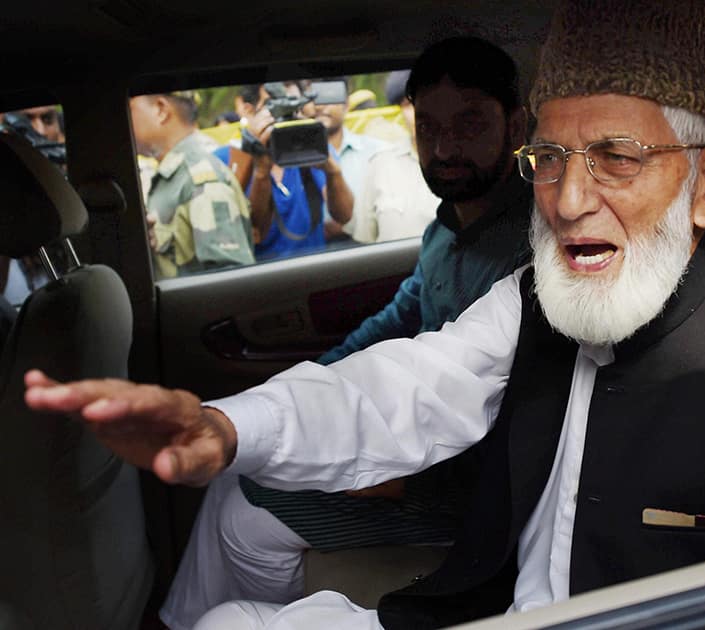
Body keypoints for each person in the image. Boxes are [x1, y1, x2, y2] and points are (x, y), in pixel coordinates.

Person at [24, 2, 705, 628]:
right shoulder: (534, 298)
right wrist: (226, 426)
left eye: (616, 158)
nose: (570, 199)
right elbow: (402, 385)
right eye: (548, 159)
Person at [157, 36, 531, 630]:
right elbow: (390, 324)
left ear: (516, 124)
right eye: (428, 127)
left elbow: (512, 413)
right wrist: (295, 393)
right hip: (417, 449)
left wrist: (397, 477)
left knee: (242, 519)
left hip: (466, 490)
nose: (444, 146)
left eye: (469, 123)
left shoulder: (529, 250)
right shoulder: (446, 229)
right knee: (233, 477)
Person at [220, 82, 354, 258]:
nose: (286, 117)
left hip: (315, 269)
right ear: (248, 110)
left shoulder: (311, 149)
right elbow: (253, 232)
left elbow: (344, 215)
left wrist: (332, 171)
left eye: (294, 108)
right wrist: (261, 170)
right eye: (274, 106)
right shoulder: (227, 160)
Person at [130, 91, 255, 278]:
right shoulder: (176, 174)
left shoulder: (201, 178)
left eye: (130, 108)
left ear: (161, 110)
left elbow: (230, 283)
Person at [342, 70, 440, 244]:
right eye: (410, 104)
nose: (421, 113)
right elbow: (364, 239)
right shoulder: (381, 164)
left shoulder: (468, 160)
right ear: (400, 110)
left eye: (431, 102)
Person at [311, 77, 391, 240]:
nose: (321, 105)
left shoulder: (378, 152)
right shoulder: (287, 159)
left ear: (346, 105)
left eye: (331, 96)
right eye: (314, 97)